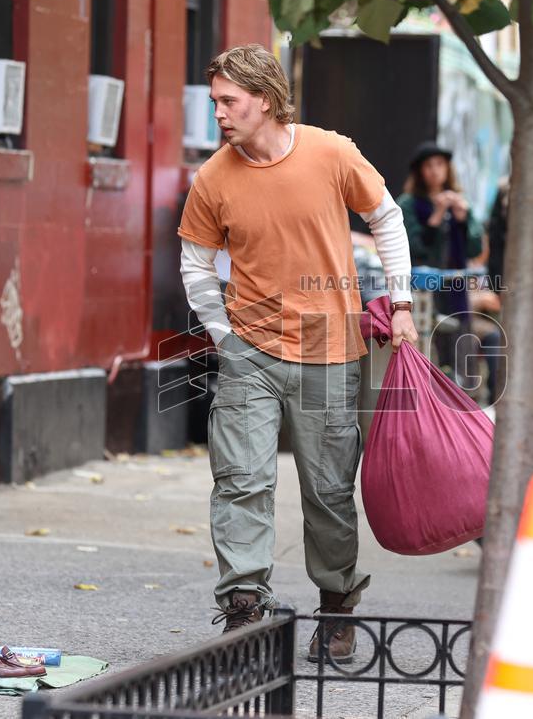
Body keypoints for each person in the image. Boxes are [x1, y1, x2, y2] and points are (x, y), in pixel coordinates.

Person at [177, 45, 418, 661]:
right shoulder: (213, 179)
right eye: (215, 103)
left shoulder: (331, 152)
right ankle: (244, 610)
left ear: (264, 98)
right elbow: (196, 263)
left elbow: (386, 219)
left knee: (329, 490)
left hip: (332, 352)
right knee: (240, 482)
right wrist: (221, 333)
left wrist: (404, 304)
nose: (220, 115)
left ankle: (337, 609)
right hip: (249, 353)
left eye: (229, 102)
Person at [398, 143, 483, 387]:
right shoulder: (409, 204)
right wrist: (436, 216)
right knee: (427, 349)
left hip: (455, 290)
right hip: (422, 291)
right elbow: (413, 248)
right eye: (428, 166)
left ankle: (460, 407)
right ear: (419, 172)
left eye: (439, 164)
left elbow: (475, 249)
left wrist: (463, 219)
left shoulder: (460, 202)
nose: (435, 171)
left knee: (460, 350)